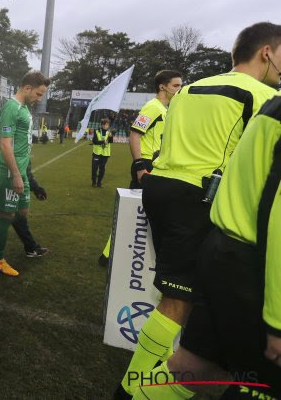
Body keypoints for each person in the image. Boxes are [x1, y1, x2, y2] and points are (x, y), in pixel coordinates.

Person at [117, 22, 281, 396]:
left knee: (180, 293)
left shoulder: (188, 89)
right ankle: (134, 386)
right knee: (180, 299)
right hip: (197, 196)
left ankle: (148, 380)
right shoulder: (262, 96)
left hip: (160, 188)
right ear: (266, 53)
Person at [99, 70, 183, 267]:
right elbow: (135, 134)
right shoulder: (152, 107)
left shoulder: (164, 109)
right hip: (145, 165)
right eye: (176, 86)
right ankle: (108, 255)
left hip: (155, 165)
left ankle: (110, 255)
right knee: (136, 211)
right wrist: (139, 166)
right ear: (162, 86)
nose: (180, 89)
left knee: (139, 211)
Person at [0, 71, 50, 277]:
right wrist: (15, 174)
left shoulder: (23, 107)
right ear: (27, 88)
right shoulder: (11, 108)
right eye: (39, 94)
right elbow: (5, 145)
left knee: (21, 212)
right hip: (9, 171)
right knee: (7, 215)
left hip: (21, 170)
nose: (39, 99)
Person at [91, 118, 114, 188]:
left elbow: (111, 142)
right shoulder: (97, 131)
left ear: (108, 125)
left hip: (105, 154)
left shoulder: (109, 132)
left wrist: (111, 137)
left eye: (106, 124)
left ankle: (99, 183)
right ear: (101, 125)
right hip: (97, 153)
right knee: (94, 168)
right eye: (104, 124)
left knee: (102, 168)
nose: (105, 126)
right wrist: (102, 142)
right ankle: (94, 181)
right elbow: (94, 141)